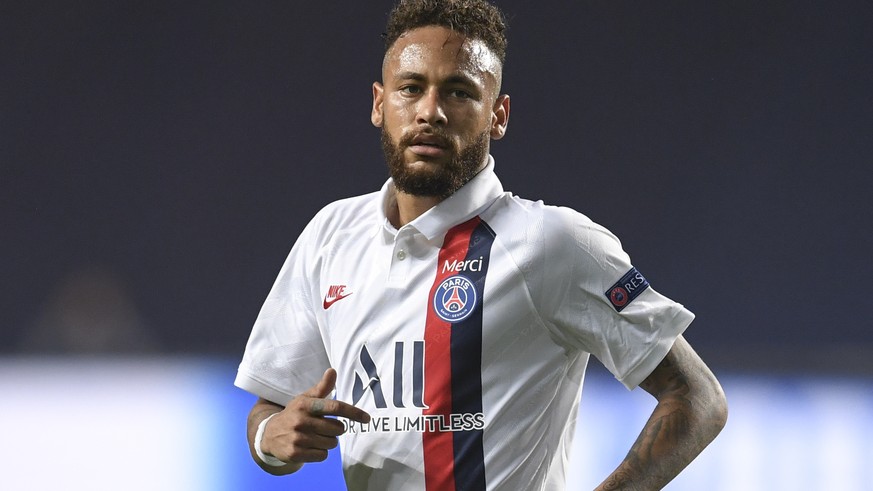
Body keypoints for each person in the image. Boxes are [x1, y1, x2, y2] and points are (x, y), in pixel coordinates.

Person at [234, 0, 728, 489]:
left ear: (498, 115)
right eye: (411, 89)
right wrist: (269, 440)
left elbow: (697, 399)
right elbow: (270, 406)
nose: (430, 112)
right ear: (379, 104)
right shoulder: (331, 234)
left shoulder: (551, 242)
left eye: (458, 92)